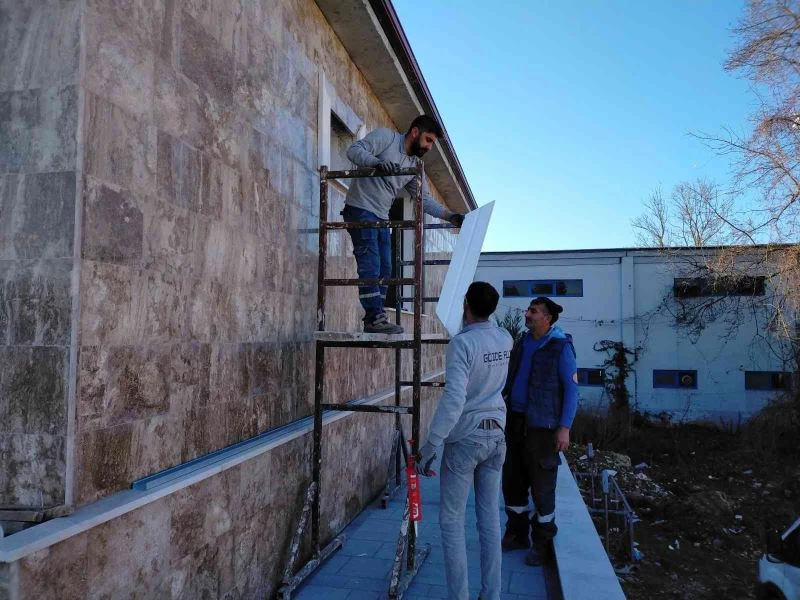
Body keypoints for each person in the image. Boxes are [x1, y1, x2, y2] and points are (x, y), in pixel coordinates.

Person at [416, 281, 512, 600]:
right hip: (497, 435)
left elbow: (454, 398)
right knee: (489, 517)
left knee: (452, 521)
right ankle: (492, 594)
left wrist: (432, 445)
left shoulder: (462, 343)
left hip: (467, 439)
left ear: (466, 306)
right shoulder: (504, 338)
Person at [343, 115, 465, 334]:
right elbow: (353, 151)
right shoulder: (386, 138)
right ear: (415, 132)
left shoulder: (414, 165)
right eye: (428, 140)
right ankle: (374, 317)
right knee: (370, 263)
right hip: (360, 209)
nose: (428, 147)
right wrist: (376, 163)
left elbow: (424, 200)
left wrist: (450, 216)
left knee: (386, 268)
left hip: (381, 216)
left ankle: (375, 317)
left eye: (432, 143)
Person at [501, 297, 578, 566]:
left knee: (542, 487)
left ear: (548, 318)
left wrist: (564, 428)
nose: (527, 314)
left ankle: (542, 543)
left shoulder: (560, 347)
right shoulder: (522, 343)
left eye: (533, 311)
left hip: (543, 429)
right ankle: (517, 534)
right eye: (528, 310)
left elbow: (572, 390)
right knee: (513, 481)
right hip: (515, 422)